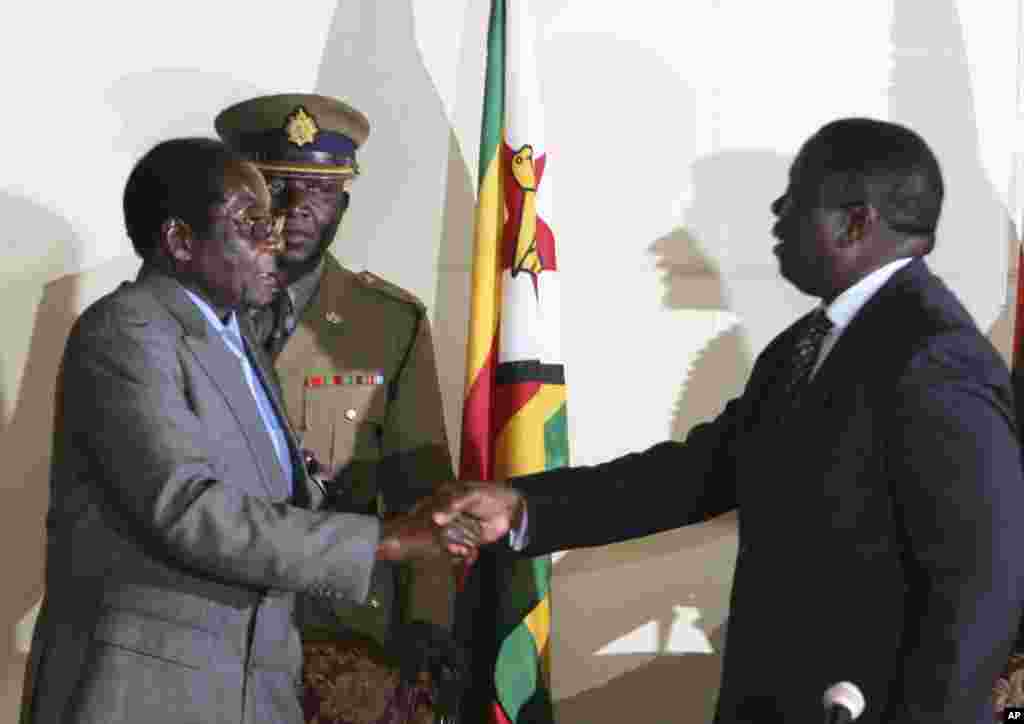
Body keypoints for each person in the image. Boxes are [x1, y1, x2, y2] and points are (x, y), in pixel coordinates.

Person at [439, 118, 1024, 723]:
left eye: (795, 196)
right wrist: (524, 508)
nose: (777, 213)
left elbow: (981, 591)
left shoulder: (933, 356)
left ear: (856, 222)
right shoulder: (806, 345)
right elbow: (696, 474)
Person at [20, 137, 474, 724]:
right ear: (181, 241)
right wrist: (381, 540)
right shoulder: (127, 333)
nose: (275, 237)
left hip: (252, 683)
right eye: (251, 223)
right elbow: (187, 510)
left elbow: (283, 496)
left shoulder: (234, 335)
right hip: (146, 691)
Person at [215, 94, 459, 722]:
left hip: (341, 641)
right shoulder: (187, 312)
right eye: (276, 186)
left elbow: (423, 494)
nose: (296, 210)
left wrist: (427, 639)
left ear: (344, 204)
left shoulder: (386, 323)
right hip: (211, 630)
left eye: (319, 191)